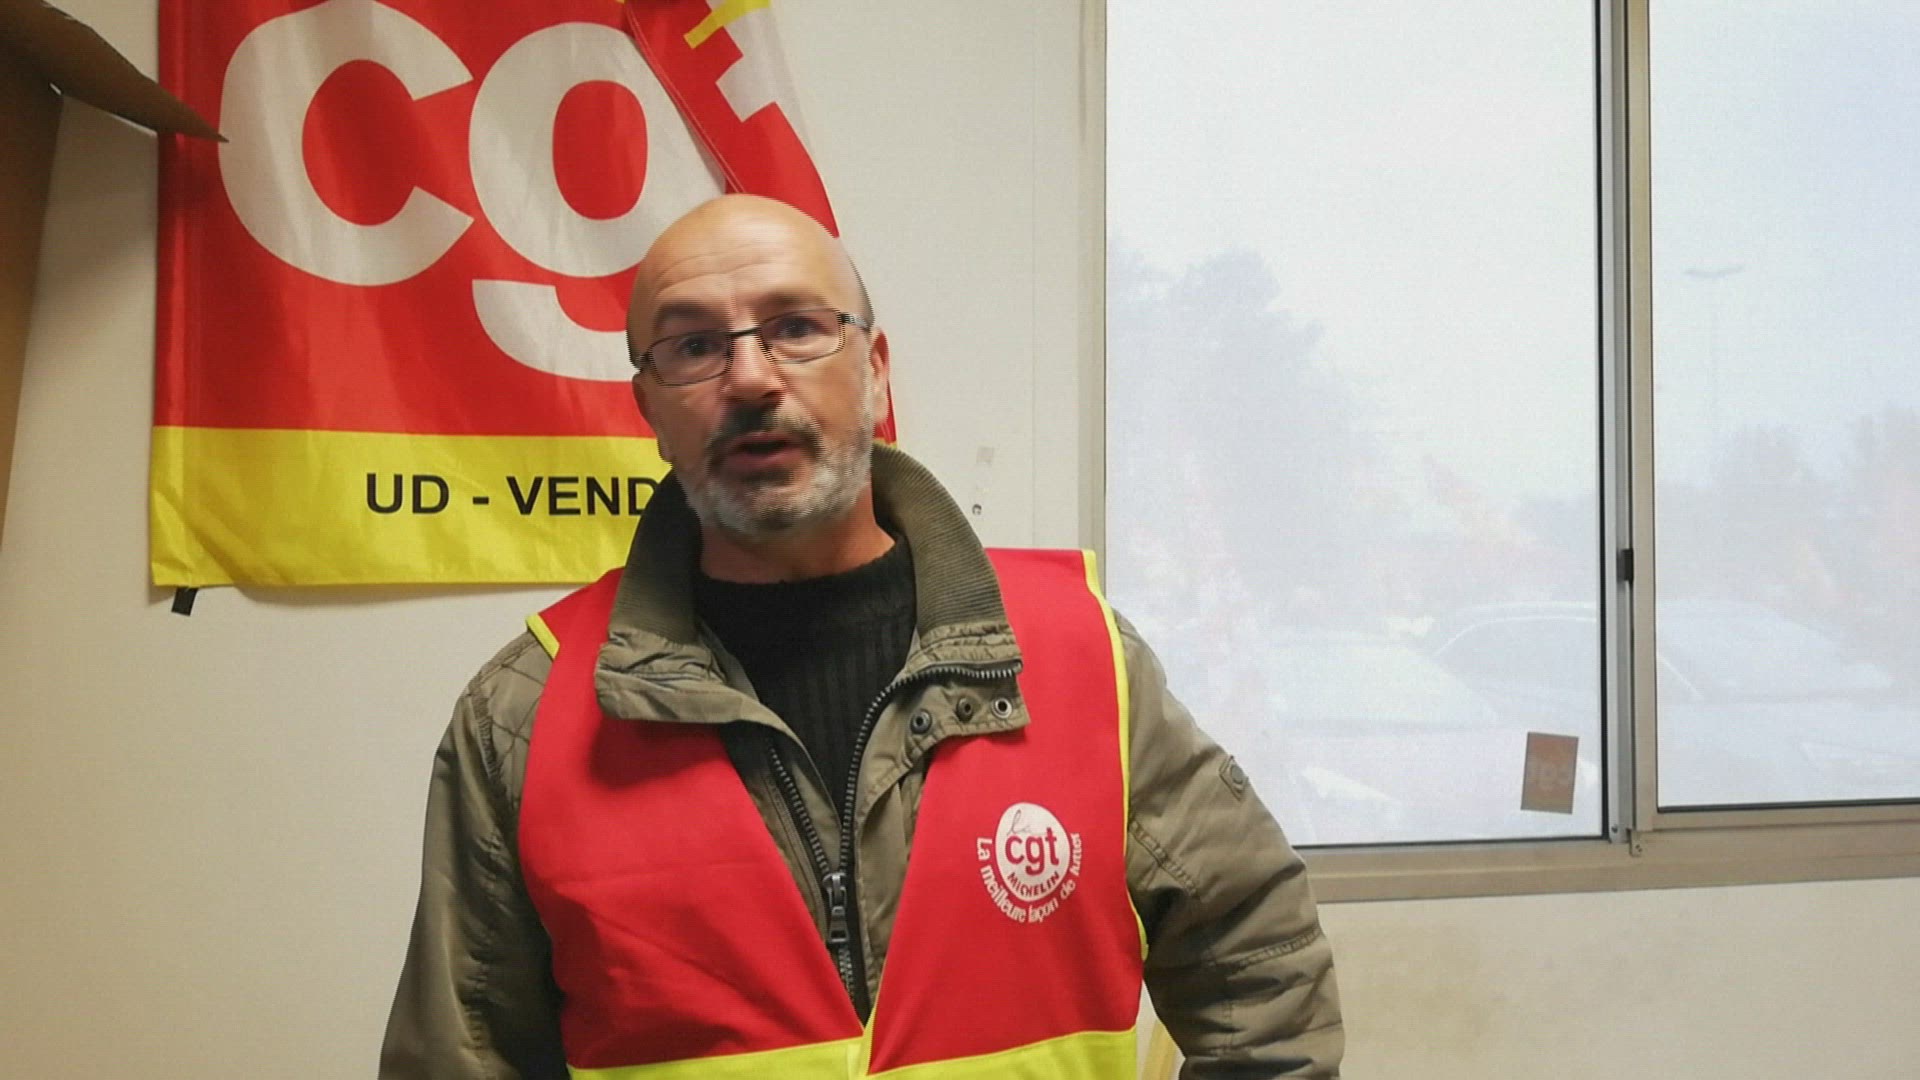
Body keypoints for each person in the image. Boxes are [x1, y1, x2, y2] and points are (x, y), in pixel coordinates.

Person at [380, 195, 1343, 1078]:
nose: (750, 377)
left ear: (875, 371)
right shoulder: (525, 718)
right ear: (650, 410)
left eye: (796, 328)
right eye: (693, 346)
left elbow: (1260, 963)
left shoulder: (1083, 659)